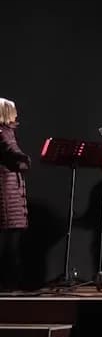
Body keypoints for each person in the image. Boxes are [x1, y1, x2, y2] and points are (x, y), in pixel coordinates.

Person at [0, 98, 30, 291]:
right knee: (10, 246)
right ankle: (9, 287)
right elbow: (12, 153)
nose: (17, 114)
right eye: (14, 110)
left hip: (8, 195)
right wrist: (24, 161)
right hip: (7, 197)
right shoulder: (4, 132)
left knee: (9, 245)